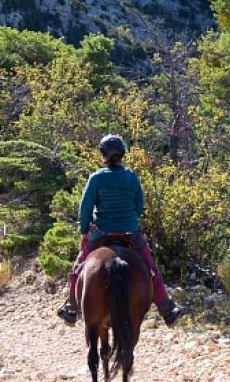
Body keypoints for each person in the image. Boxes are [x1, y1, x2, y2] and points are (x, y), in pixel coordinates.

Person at [57, 134, 182, 327]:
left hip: (101, 232)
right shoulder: (131, 177)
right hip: (130, 232)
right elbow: (139, 207)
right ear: (122, 154)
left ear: (103, 154)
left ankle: (72, 307)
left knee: (78, 267)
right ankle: (166, 308)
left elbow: (85, 208)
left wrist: (84, 231)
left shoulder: (96, 178)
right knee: (150, 269)